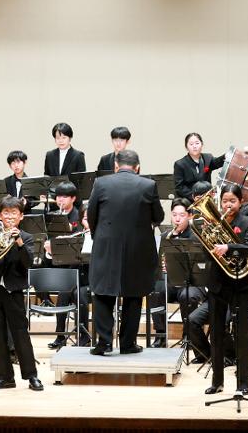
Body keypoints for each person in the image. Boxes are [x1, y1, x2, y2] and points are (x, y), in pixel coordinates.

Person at [86, 148, 163, 355]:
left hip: (106, 246)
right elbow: (158, 216)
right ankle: (128, 344)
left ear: (116, 166)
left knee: (102, 293)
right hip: (138, 249)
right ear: (137, 167)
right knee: (134, 294)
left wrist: (98, 236)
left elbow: (91, 215)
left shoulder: (101, 183)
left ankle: (104, 343)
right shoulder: (149, 185)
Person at [201, 183, 248, 396]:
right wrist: (209, 243)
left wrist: (228, 247)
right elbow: (206, 253)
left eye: (232, 201)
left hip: (240, 283)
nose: (228, 205)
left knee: (241, 333)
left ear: (240, 202)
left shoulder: (247, 222)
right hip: (217, 283)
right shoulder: (213, 222)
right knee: (216, 333)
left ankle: (244, 383)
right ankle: (217, 381)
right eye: (225, 201)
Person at [0, 196, 42, 391]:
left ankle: (32, 376)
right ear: (0, 216)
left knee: (20, 334)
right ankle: (5, 377)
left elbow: (28, 263)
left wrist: (18, 242)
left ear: (21, 216)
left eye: (14, 213)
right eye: (6, 213)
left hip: (14, 291)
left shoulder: (26, 238)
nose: (9, 216)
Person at [149, 198, 204, 346]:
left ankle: (189, 336)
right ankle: (160, 334)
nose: (177, 219)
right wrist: (163, 267)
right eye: (174, 215)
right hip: (172, 281)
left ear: (190, 216)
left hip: (193, 282)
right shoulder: (165, 236)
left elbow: (201, 265)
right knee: (156, 290)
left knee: (188, 296)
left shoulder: (197, 236)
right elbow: (158, 264)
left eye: (182, 215)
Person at [46, 181, 90, 349]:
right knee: (63, 294)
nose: (60, 200)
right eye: (58, 196)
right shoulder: (54, 217)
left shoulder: (80, 219)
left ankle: (83, 335)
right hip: (68, 270)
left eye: (65, 197)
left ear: (73, 198)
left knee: (79, 294)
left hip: (85, 274)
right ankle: (60, 336)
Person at [173, 132, 224, 200]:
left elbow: (217, 162)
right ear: (186, 147)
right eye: (191, 144)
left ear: (202, 145)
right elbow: (179, 187)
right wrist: (194, 196)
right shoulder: (180, 164)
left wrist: (227, 156)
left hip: (207, 198)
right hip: (189, 199)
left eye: (197, 143)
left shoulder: (208, 158)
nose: (194, 146)